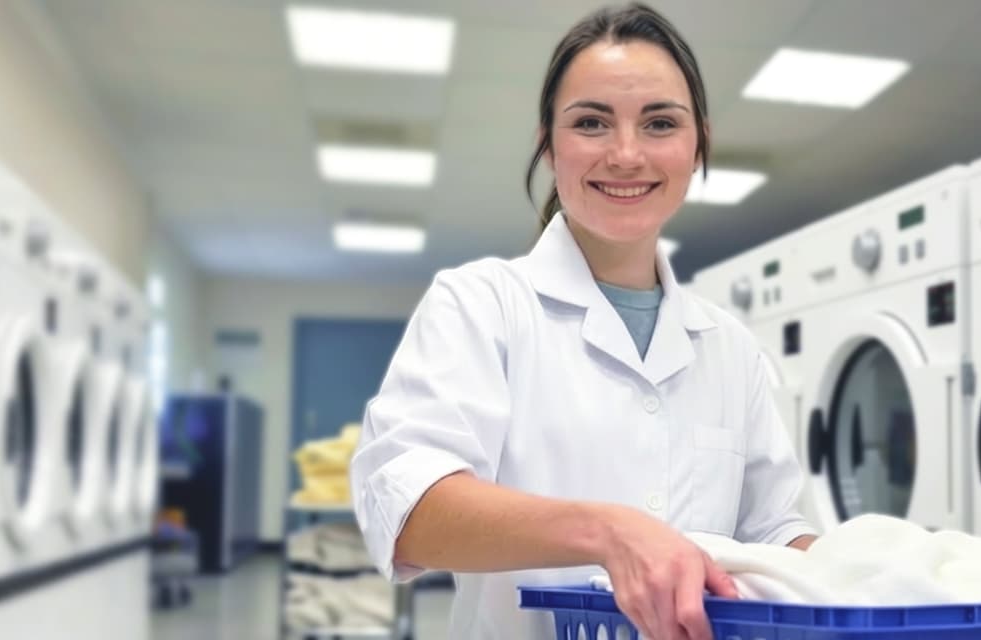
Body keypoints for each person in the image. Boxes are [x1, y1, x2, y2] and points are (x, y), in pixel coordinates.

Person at [349, 4, 815, 639]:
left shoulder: (730, 347)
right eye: (592, 122)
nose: (626, 154)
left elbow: (774, 528)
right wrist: (609, 533)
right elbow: (410, 511)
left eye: (659, 123)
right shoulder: (480, 305)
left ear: (697, 141)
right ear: (549, 141)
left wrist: (880, 578)